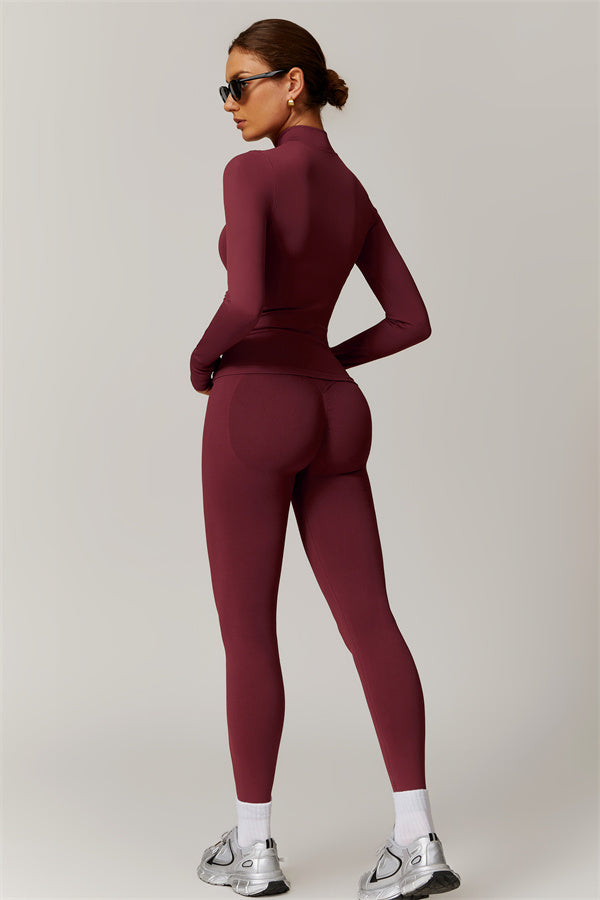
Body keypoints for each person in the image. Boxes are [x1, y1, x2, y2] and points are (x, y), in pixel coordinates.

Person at [191, 17, 461, 900]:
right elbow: (412, 319)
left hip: (254, 405)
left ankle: (254, 849)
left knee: (247, 631)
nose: (229, 105)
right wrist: (325, 361)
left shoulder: (249, 174)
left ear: (293, 82)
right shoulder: (352, 191)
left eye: (241, 85)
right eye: (225, 90)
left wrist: (201, 359)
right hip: (335, 409)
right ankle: (418, 839)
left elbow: (246, 301)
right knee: (371, 620)